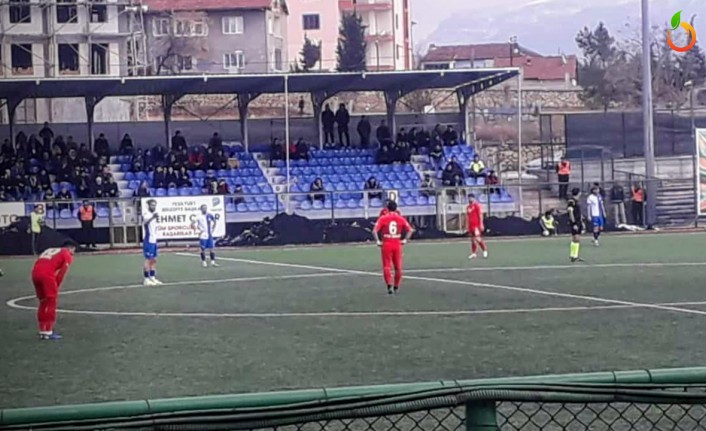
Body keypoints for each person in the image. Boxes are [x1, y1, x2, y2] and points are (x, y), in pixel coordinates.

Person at [31, 241, 77, 340]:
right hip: (47, 275)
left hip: (35, 274)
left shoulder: (50, 249)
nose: (73, 253)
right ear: (71, 248)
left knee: (43, 302)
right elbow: (61, 273)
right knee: (51, 302)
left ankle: (42, 330)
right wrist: (56, 286)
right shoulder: (66, 254)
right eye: (74, 251)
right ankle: (49, 331)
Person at [373, 201, 414, 295]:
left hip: (387, 243)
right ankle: (396, 286)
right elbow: (410, 230)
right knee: (398, 267)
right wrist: (405, 240)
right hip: (397, 243)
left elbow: (374, 231)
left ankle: (389, 285)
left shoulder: (383, 218)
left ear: (387, 208)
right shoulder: (400, 218)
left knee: (387, 266)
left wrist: (378, 241)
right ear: (396, 208)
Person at [142, 199, 162, 285]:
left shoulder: (154, 214)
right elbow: (145, 222)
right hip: (148, 240)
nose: (153, 207)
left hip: (154, 239)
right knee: (148, 259)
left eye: (154, 205)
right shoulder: (147, 214)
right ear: (148, 206)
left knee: (154, 259)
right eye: (152, 205)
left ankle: (152, 277)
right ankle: (146, 279)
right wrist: (153, 217)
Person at [466, 194, 488, 259]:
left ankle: (484, 250)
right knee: (472, 240)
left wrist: (481, 224)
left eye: (471, 198)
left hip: (476, 226)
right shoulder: (468, 207)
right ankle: (474, 253)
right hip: (471, 226)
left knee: (478, 238)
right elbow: (468, 216)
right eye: (469, 198)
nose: (470, 199)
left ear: (474, 198)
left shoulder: (477, 206)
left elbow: (480, 215)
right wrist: (467, 225)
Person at [567, 188, 584, 262]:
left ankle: (574, 256)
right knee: (576, 238)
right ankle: (574, 255)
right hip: (575, 222)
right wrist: (573, 223)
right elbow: (570, 211)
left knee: (576, 239)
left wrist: (581, 221)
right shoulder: (572, 201)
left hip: (578, 221)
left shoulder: (576, 201)